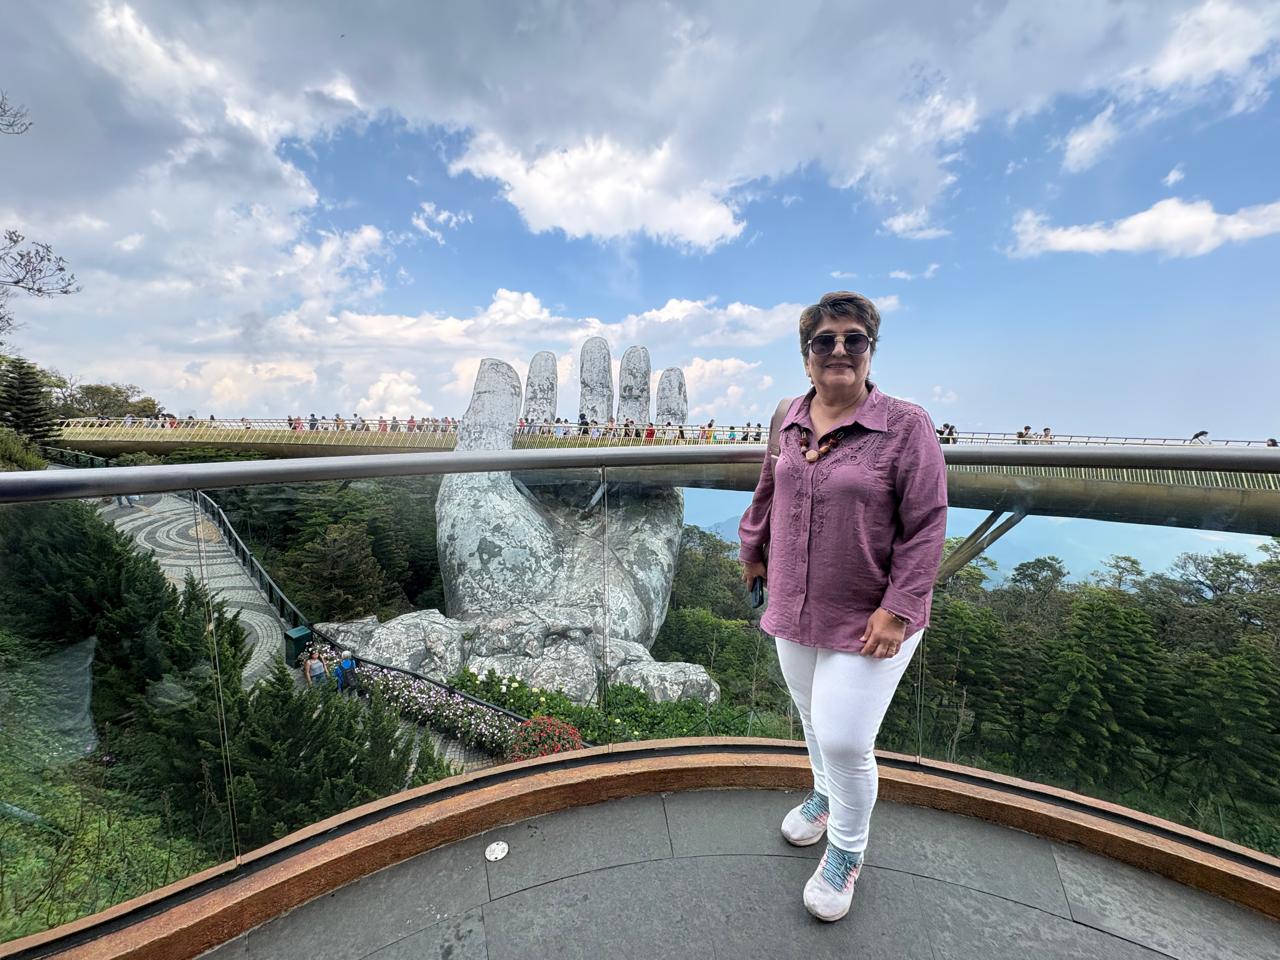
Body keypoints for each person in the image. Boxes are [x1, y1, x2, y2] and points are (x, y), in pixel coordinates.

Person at [738, 291, 947, 923]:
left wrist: (900, 608)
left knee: (846, 736)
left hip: (872, 616)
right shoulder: (791, 418)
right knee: (810, 715)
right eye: (823, 340)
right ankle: (824, 796)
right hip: (795, 603)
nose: (838, 350)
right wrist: (753, 552)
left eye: (853, 339)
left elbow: (927, 526)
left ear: (869, 351)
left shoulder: (906, 425)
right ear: (806, 357)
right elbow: (769, 490)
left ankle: (846, 852)